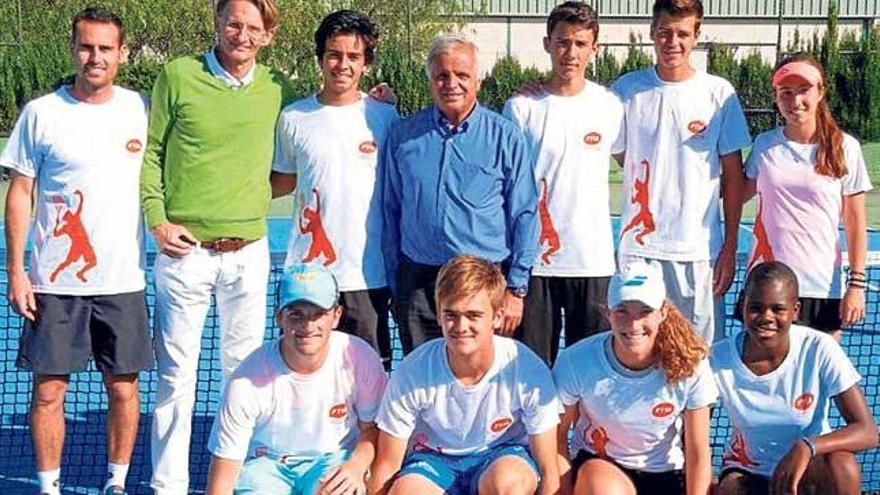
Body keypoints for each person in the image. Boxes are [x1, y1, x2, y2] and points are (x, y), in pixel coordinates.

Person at [139, 0, 298, 491]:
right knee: (174, 380)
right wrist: (159, 223)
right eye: (234, 23)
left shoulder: (278, 89)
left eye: (253, 27)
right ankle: (168, 486)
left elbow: (287, 168)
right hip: (183, 254)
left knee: (245, 376)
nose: (242, 35)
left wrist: (244, 200)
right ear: (217, 23)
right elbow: (152, 154)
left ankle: (242, 480)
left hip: (249, 254)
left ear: (267, 36)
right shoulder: (177, 75)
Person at [1, 7, 151, 495]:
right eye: (86, 46)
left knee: (124, 390)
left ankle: (117, 483)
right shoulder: (41, 114)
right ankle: (48, 487)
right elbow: (21, 191)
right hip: (52, 284)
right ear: (73, 49)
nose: (95, 57)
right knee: (48, 393)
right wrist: (17, 271)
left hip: (123, 283)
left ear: (121, 53)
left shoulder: (143, 110)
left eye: (106, 48)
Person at [381, 33, 539, 354]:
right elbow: (391, 210)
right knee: (423, 379)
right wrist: (396, 284)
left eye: (462, 75)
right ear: (430, 81)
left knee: (483, 384)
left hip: (484, 280)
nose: (451, 83)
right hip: (420, 284)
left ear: (477, 81)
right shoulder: (403, 136)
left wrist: (516, 288)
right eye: (442, 75)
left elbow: (524, 213)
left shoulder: (505, 136)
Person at [611, 0, 751, 344]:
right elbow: (620, 154)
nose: (672, 42)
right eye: (664, 32)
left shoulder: (719, 94)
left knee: (698, 357)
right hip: (639, 252)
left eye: (682, 34)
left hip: (700, 253)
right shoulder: (626, 90)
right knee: (639, 354)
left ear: (696, 35)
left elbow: (733, 177)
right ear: (651, 33)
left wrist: (730, 246)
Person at [368, 255, 561, 495]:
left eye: (473, 315)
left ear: (497, 317)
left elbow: (549, 468)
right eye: (451, 315)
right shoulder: (413, 370)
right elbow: (387, 465)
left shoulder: (526, 368)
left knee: (510, 483)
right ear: (438, 315)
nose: (460, 326)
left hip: (501, 455)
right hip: (433, 461)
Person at [272, 9, 399, 369]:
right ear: (320, 58)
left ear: (366, 64)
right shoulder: (293, 118)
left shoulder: (386, 116)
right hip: (307, 275)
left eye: (353, 57)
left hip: (368, 276)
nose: (342, 64)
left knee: (369, 380)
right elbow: (281, 180)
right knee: (301, 374)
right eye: (334, 54)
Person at [503, 1, 624, 364]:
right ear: (547, 44)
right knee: (531, 374)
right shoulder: (522, 107)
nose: (570, 52)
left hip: (593, 264)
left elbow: (634, 164)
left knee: (592, 374)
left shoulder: (610, 105)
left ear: (594, 49)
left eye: (580, 44)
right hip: (533, 266)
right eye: (562, 42)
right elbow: (507, 185)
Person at [205, 263, 388, 495]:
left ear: (336, 316)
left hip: (333, 462)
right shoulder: (245, 382)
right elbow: (223, 475)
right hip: (265, 467)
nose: (308, 325)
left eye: (318, 314)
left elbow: (373, 430)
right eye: (296, 314)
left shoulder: (360, 357)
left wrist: (356, 466)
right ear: (279, 317)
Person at [712, 261, 877, 495]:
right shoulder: (717, 359)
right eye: (756, 308)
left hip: (809, 465)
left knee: (843, 466)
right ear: (743, 306)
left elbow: (868, 431)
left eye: (778, 309)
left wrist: (807, 446)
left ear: (795, 310)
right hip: (748, 469)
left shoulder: (819, 347)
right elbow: (691, 431)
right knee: (729, 490)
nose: (766, 317)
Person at [553, 261, 717, 495]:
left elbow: (698, 451)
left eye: (645, 312)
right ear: (608, 314)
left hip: (664, 476)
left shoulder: (692, 364)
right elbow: (557, 439)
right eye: (622, 311)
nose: (633, 324)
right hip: (601, 469)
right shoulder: (575, 360)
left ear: (663, 313)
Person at [740, 54, 872, 340]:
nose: (795, 100)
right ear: (776, 97)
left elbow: (855, 222)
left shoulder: (845, 148)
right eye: (785, 92)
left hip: (821, 285)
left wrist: (857, 285)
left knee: (818, 382)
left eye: (804, 90)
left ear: (821, 91)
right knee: (764, 377)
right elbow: (734, 196)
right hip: (766, 285)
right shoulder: (764, 145)